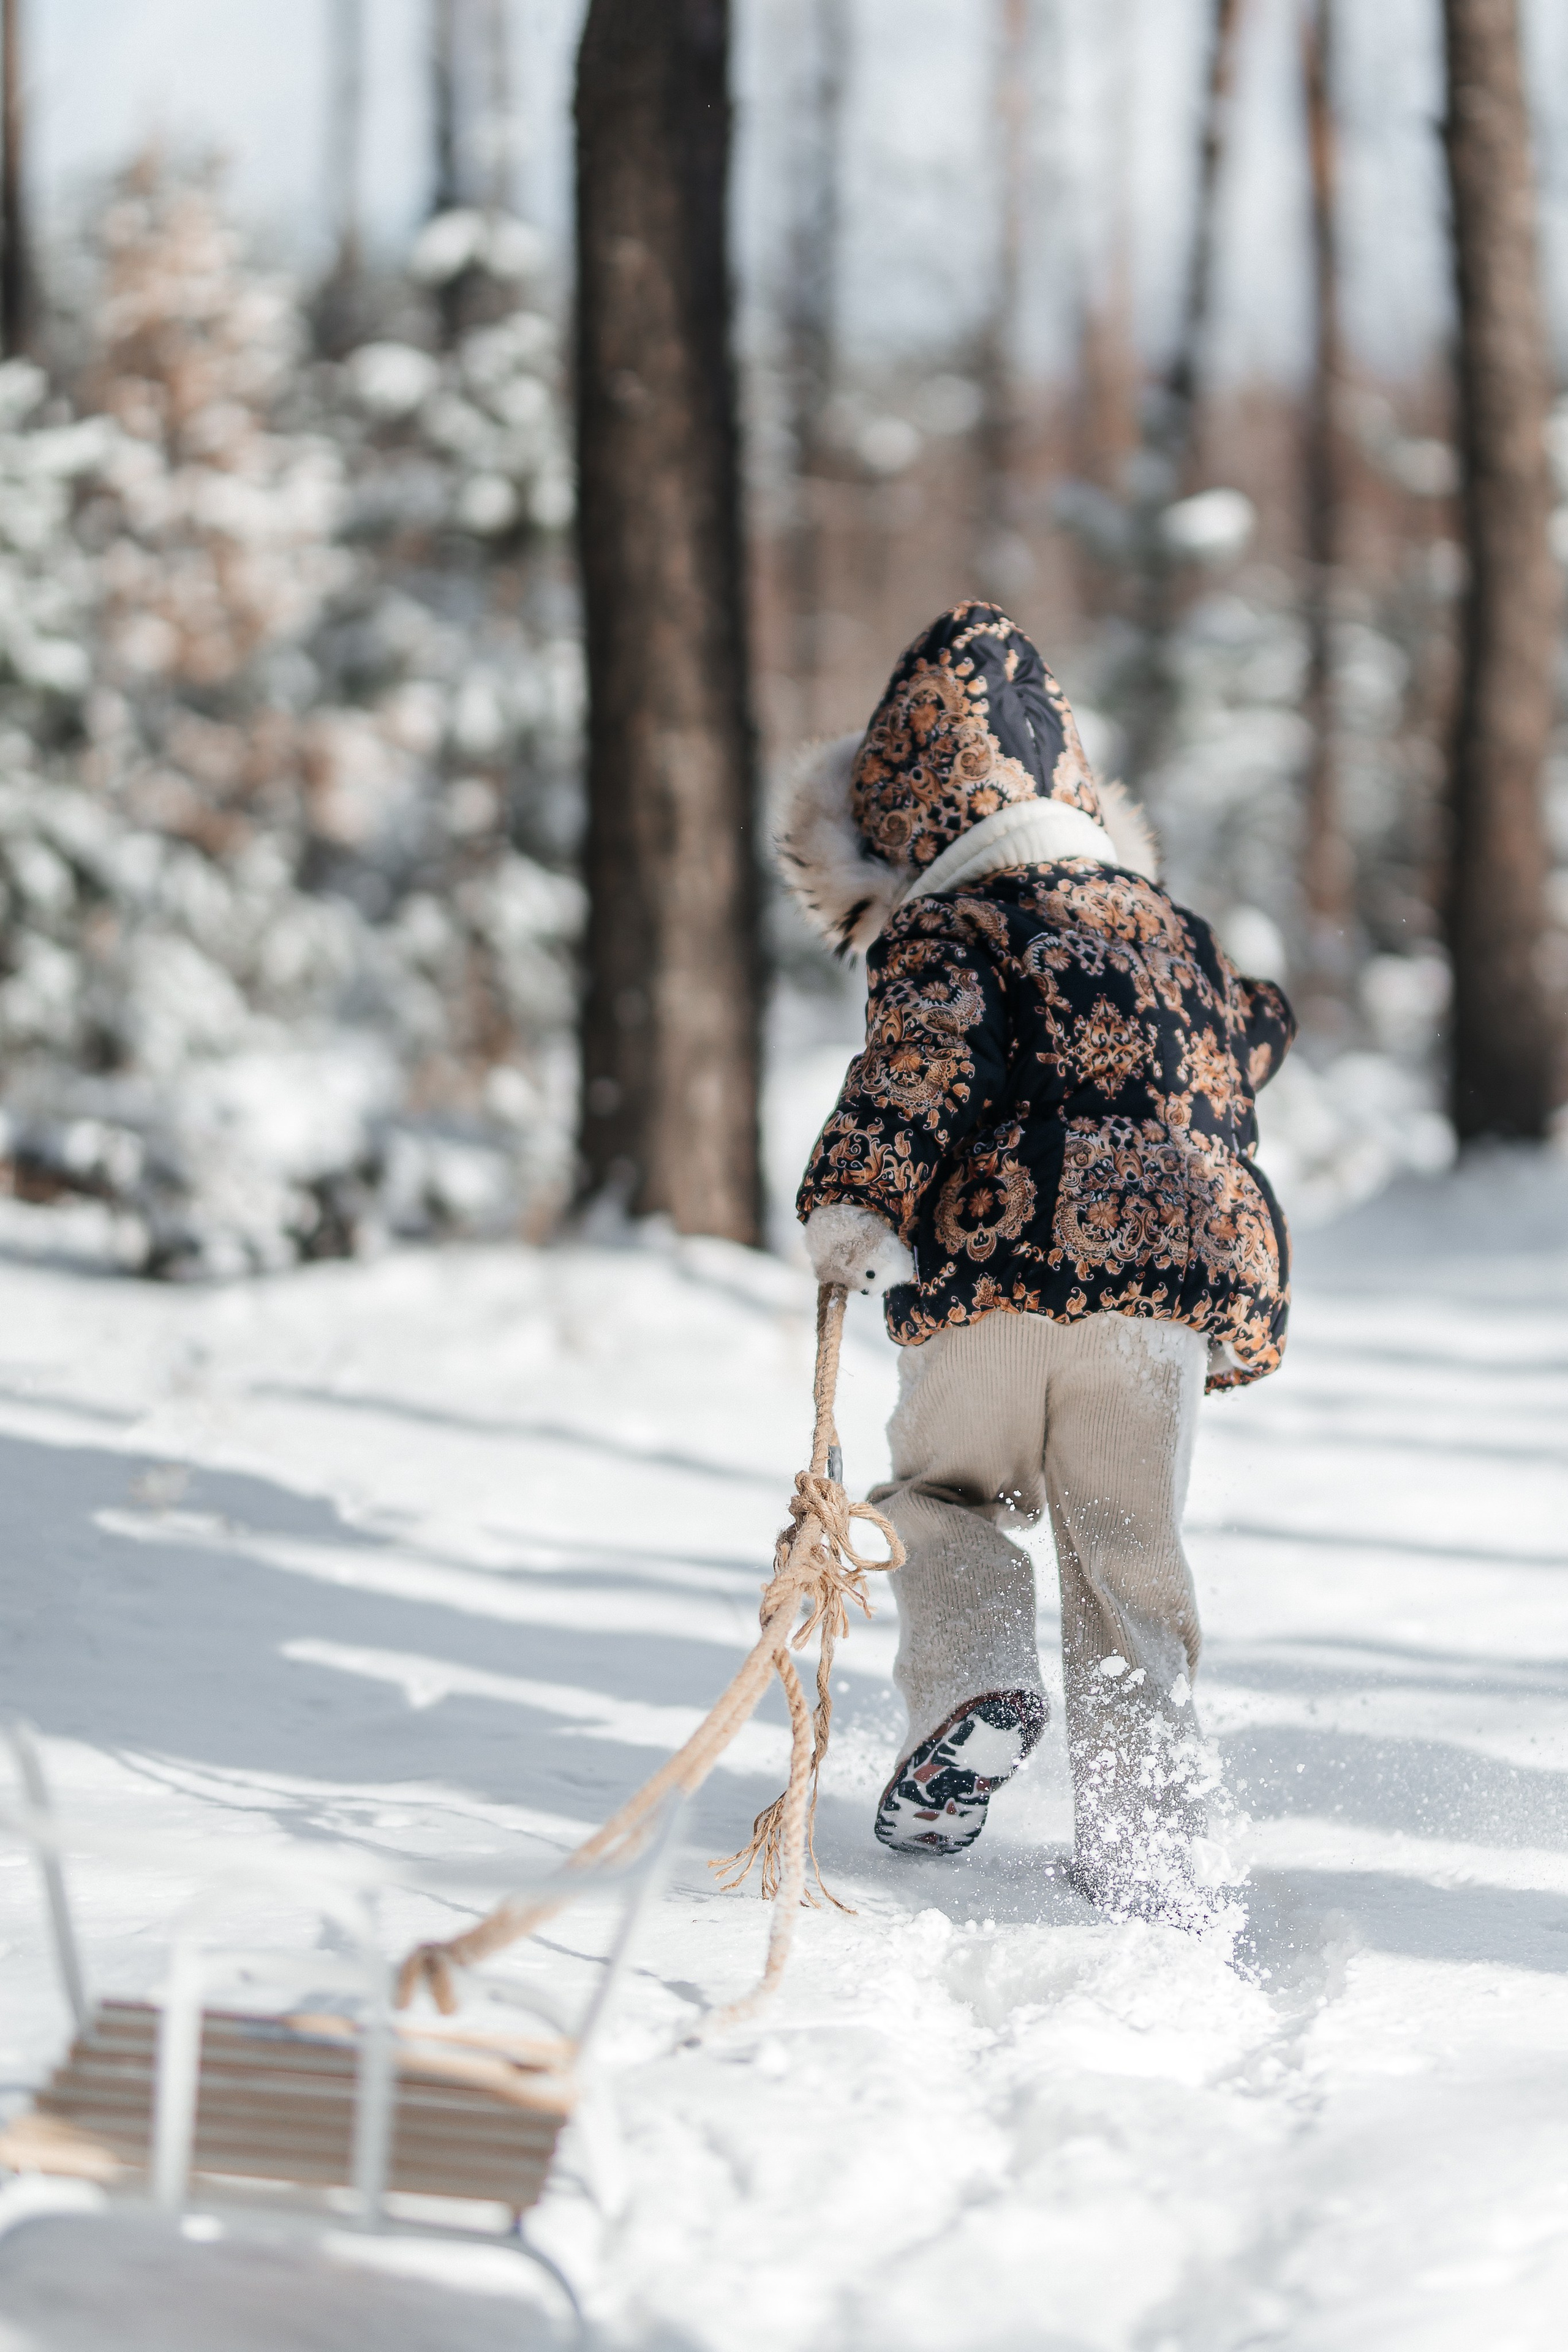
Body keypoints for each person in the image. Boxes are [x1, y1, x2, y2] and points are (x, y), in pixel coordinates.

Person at [779, 600, 1294, 1921]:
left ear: (907, 828)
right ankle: (1150, 1839)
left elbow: (923, 1062)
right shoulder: (1176, 935)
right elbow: (1254, 1032)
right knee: (1130, 1565)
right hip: (1158, 1310)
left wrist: (855, 1200)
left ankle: (974, 1684)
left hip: (993, 1284)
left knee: (942, 1497)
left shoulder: (950, 926)